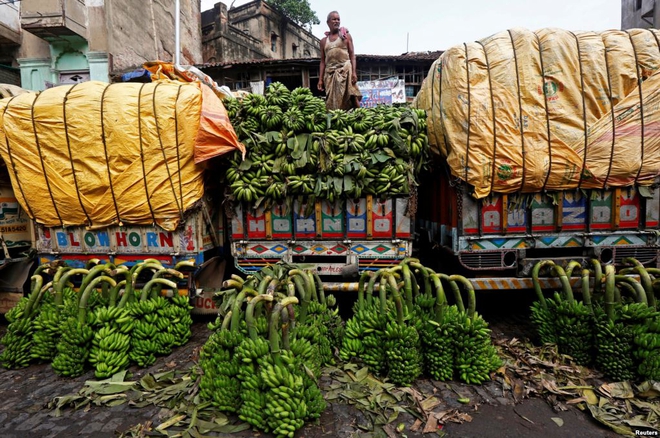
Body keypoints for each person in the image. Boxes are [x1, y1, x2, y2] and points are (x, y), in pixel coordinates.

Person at [317, 11, 362, 110]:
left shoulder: (345, 36)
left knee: (352, 96)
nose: (336, 21)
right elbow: (323, 61)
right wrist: (320, 79)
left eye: (338, 19)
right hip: (330, 73)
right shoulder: (324, 41)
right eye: (334, 19)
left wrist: (354, 72)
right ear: (328, 22)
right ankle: (336, 121)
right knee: (332, 101)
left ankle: (363, 117)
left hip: (345, 70)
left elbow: (352, 56)